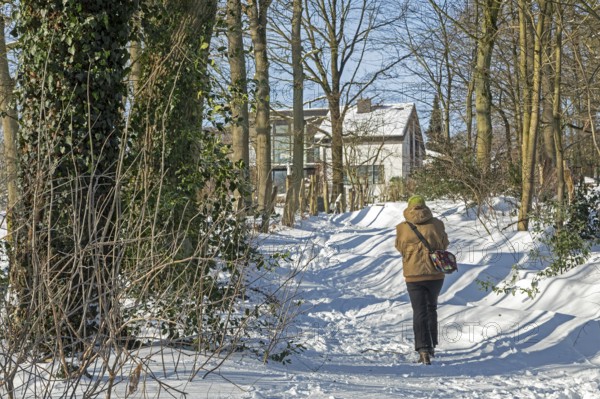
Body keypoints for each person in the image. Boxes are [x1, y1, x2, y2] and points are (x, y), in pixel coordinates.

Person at [395, 195, 449, 365]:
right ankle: (432, 345)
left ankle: (423, 349)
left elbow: (399, 247)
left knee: (419, 311)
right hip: (435, 274)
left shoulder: (402, 228)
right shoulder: (437, 224)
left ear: (409, 207)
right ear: (425, 206)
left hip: (413, 275)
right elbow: (444, 244)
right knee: (431, 307)